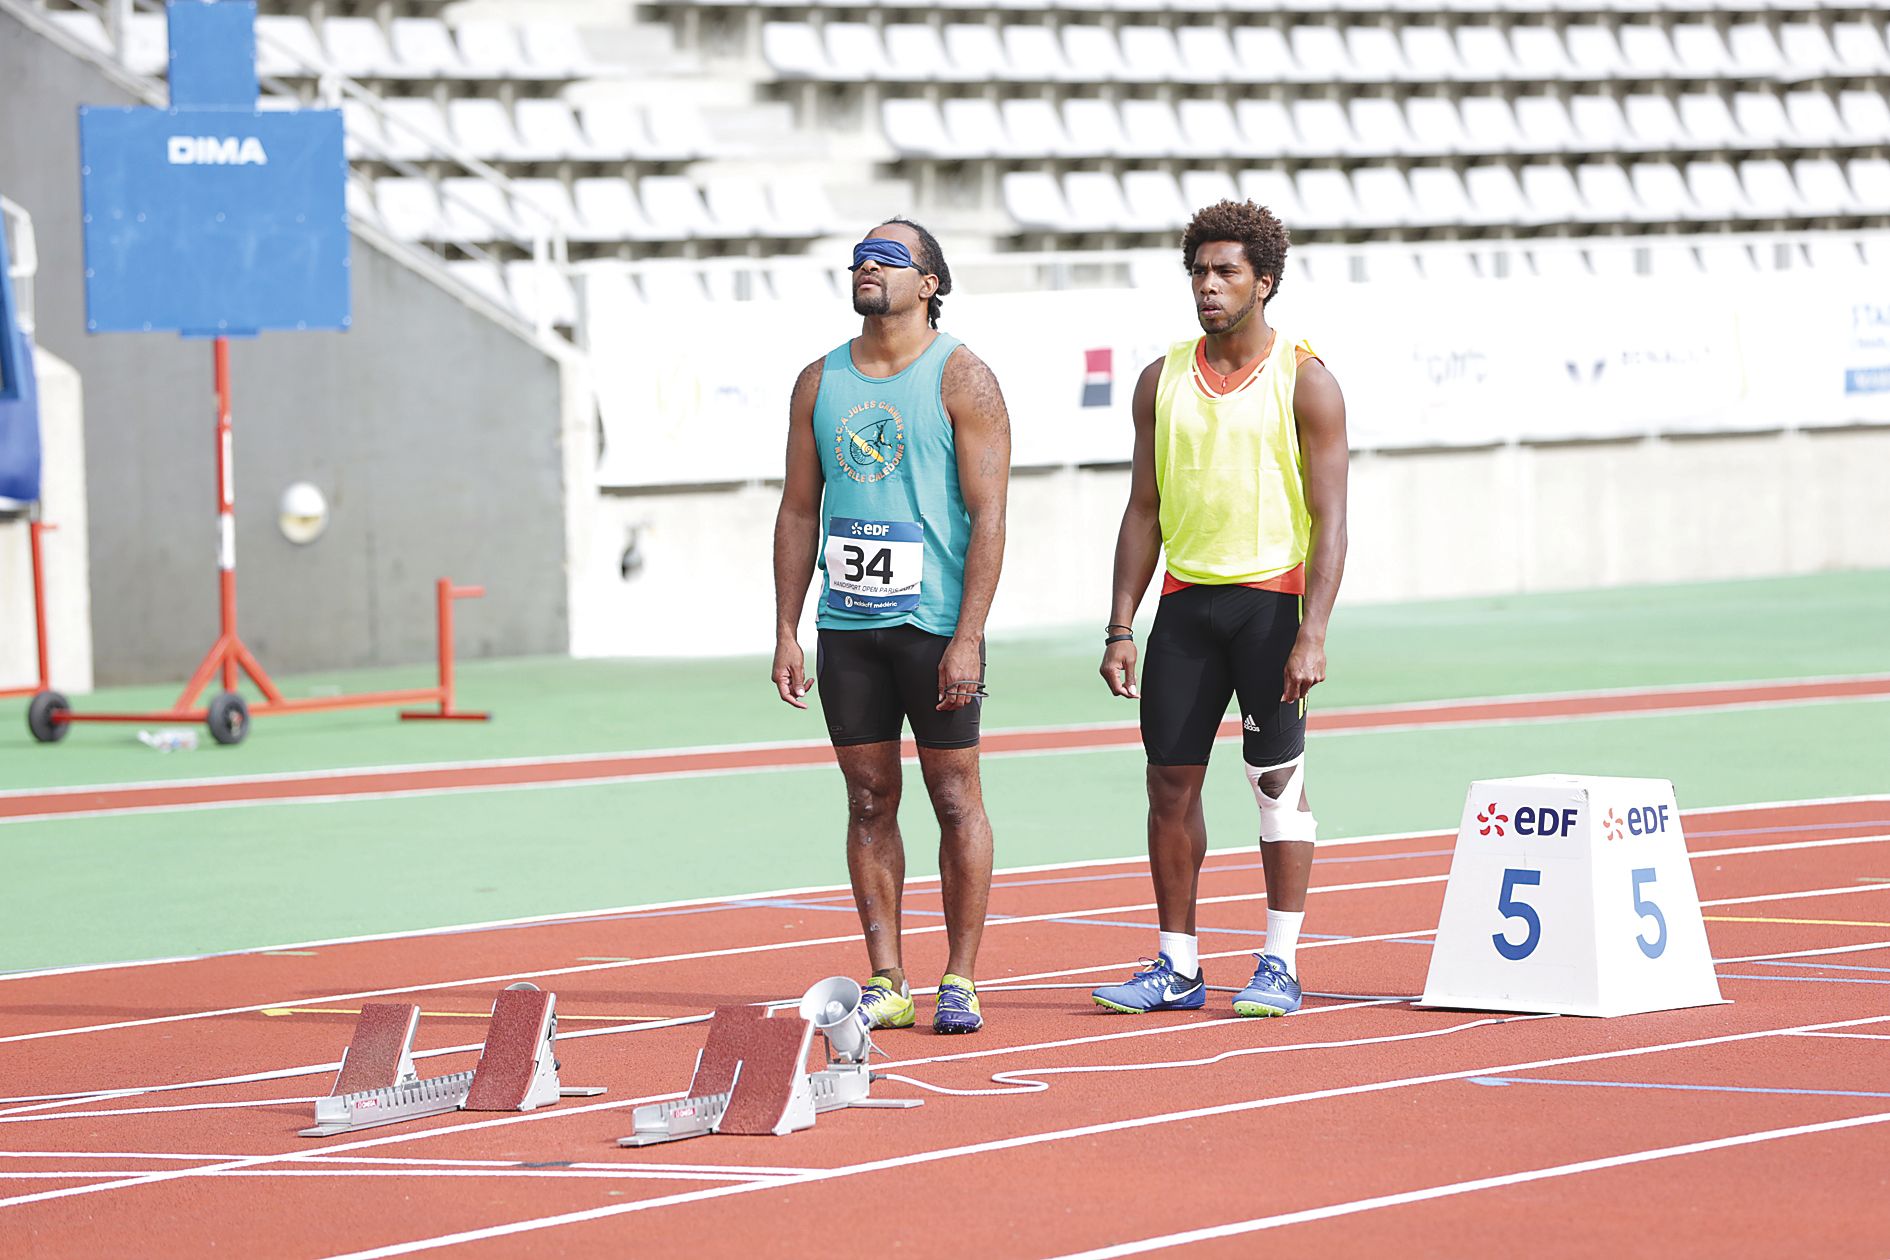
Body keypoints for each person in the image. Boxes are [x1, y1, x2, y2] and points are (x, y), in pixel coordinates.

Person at [1090, 200, 1349, 1018]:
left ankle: (1278, 961)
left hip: (1271, 608)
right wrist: (1121, 624)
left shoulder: (1305, 381)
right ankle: (1178, 964)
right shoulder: (1159, 379)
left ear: (1263, 283)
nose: (1208, 285)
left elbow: (1333, 519)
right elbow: (1143, 509)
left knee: (1276, 784)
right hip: (1185, 609)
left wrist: (1313, 633)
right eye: (1198, 271)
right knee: (1169, 784)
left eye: (1226, 271)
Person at [771, 219, 1012, 1036]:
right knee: (869, 798)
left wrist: (969, 635)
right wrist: (785, 628)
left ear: (931, 283)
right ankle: (886, 978)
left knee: (954, 796)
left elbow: (990, 518)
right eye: (860, 258)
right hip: (849, 628)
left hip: (934, 625)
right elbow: (799, 509)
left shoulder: (963, 378)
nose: (868, 267)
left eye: (889, 259)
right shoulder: (819, 380)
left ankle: (961, 978)